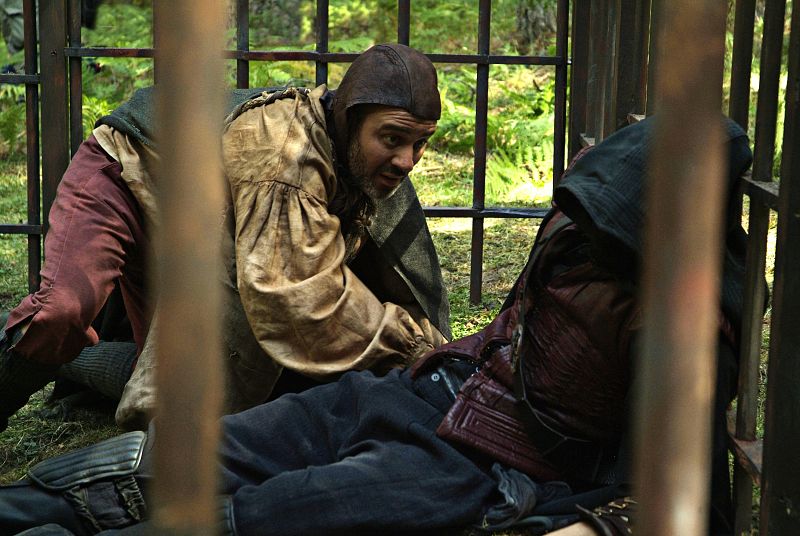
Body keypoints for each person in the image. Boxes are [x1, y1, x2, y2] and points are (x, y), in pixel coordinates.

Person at [0, 115, 754, 536]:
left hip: (488, 466)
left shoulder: (685, 324)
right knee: (192, 455)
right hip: (429, 390)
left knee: (270, 515)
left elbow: (677, 497)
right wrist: (417, 350)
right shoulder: (572, 225)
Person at [0, 43, 452, 432]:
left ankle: (63, 358)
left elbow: (397, 274)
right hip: (128, 173)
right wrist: (412, 348)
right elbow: (298, 295)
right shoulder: (287, 156)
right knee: (60, 314)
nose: (407, 160)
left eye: (420, 143)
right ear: (350, 120)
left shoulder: (357, 159)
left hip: (194, 220)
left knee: (171, 385)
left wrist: (437, 355)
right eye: (392, 138)